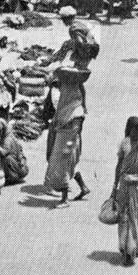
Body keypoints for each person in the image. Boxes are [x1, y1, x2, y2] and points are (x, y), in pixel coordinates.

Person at [44, 35, 97, 208]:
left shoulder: (75, 105)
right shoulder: (70, 94)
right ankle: (83, 187)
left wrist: (68, 139)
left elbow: (76, 125)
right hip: (66, 130)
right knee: (69, 162)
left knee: (63, 161)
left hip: (70, 133)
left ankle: (65, 199)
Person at [112, 116, 138, 267]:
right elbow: (118, 167)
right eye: (135, 129)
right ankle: (128, 251)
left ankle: (132, 246)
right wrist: (114, 189)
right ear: (129, 130)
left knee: (136, 218)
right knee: (126, 219)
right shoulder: (125, 145)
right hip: (125, 186)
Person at [0, 116, 29, 187]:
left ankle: (12, 177)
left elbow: (3, 153)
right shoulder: (7, 136)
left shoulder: (8, 139)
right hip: (17, 165)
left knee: (6, 158)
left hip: (19, 169)